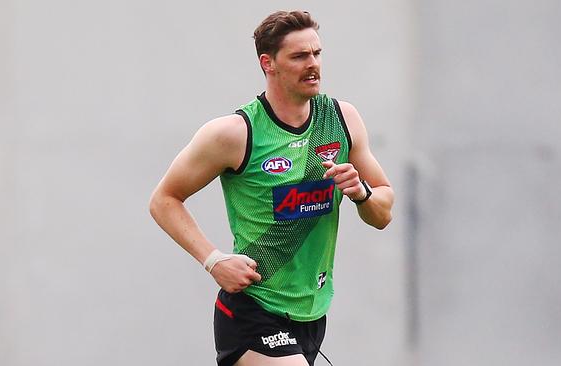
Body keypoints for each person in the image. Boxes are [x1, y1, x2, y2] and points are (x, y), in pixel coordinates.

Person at [149, 10, 393, 366]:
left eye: (317, 53)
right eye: (299, 56)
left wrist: (361, 193)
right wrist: (213, 260)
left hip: (312, 314)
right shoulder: (234, 133)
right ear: (269, 63)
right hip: (253, 309)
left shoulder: (341, 119)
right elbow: (164, 199)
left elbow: (384, 212)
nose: (313, 65)